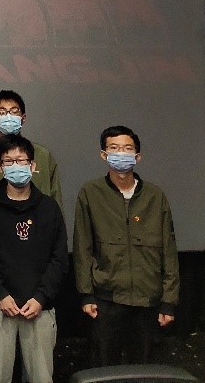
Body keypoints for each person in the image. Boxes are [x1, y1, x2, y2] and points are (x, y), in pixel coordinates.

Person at [72, 125, 179, 365]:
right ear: (104, 154)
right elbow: (82, 248)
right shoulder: (90, 193)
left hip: (147, 299)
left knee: (143, 369)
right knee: (105, 368)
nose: (121, 153)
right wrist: (86, 294)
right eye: (114, 148)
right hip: (107, 300)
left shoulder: (155, 196)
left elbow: (169, 252)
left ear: (137, 156)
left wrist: (169, 301)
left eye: (127, 149)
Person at [0, 134, 68, 383]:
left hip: (39, 307)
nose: (16, 166)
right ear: (0, 167)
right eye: (9, 161)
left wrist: (41, 297)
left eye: (21, 161)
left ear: (33, 165)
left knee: (41, 378)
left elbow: (59, 258)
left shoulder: (49, 207)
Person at [0, 90, 63, 234]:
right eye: (2, 112)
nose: (8, 117)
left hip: (39, 233)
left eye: (14, 111)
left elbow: (55, 201)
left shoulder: (43, 155)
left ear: (23, 118)